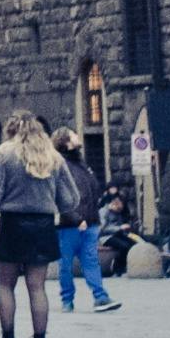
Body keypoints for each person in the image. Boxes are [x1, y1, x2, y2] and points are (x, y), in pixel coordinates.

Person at [0, 114, 66, 338]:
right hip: (43, 225)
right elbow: (71, 198)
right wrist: (49, 206)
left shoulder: (4, 153)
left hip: (13, 223)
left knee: (5, 284)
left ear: (10, 130)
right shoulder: (53, 156)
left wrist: (3, 205)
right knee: (37, 287)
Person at [51, 124, 119, 313]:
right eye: (73, 134)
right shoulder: (59, 165)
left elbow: (93, 190)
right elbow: (61, 196)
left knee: (91, 260)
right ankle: (67, 299)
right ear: (66, 141)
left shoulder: (81, 163)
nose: (77, 135)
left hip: (90, 221)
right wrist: (76, 218)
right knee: (65, 264)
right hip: (69, 225)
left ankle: (100, 297)